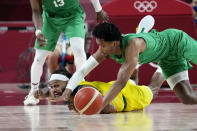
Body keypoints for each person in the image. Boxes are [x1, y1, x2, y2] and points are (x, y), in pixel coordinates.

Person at [53, 22, 197, 110]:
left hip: (177, 41)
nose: (100, 49)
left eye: (103, 45)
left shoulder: (133, 45)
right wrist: (67, 92)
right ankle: (161, 69)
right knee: (187, 98)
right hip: (166, 59)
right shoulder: (105, 49)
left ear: (114, 43)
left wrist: (99, 105)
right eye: (99, 45)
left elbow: (120, 83)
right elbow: (83, 70)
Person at [24, 0, 109, 106]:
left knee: (78, 49)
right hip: (50, 19)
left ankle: (80, 86)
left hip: (73, 16)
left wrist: (99, 10)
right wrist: (39, 31)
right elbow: (36, 11)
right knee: (39, 58)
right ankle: (33, 92)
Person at [35, 68, 164, 114]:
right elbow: (47, 92)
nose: (54, 90)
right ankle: (136, 62)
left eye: (56, 85)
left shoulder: (83, 91)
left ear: (69, 83)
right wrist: (38, 93)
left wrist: (80, 107)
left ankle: (163, 66)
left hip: (128, 98)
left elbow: (109, 108)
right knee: (131, 80)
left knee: (154, 88)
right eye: (52, 86)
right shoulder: (74, 87)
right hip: (112, 86)